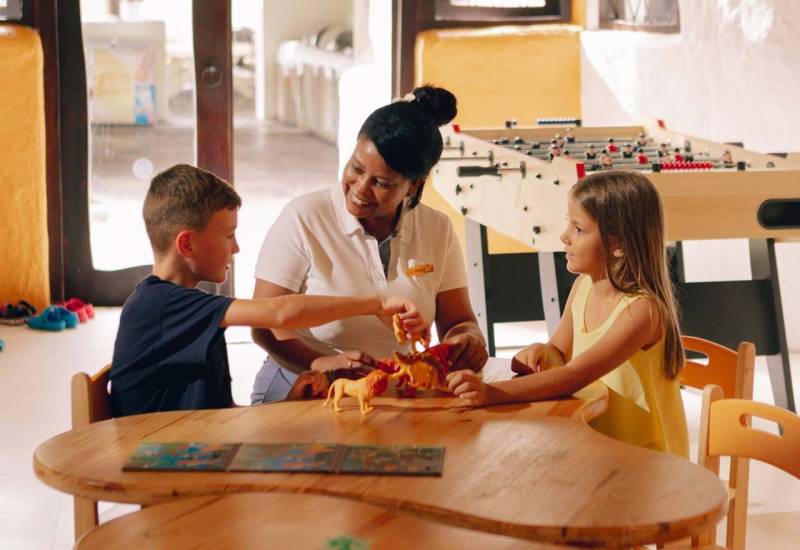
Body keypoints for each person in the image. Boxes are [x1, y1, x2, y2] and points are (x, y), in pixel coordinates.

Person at [110, 164, 427, 417]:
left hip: (193, 449)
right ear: (187, 244)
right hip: (158, 459)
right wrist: (376, 303)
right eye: (228, 235)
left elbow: (224, 416)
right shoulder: (159, 304)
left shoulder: (193, 312)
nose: (236, 247)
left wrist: (288, 402)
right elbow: (278, 312)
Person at [251, 85, 488, 404]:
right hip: (302, 385)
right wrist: (321, 363)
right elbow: (261, 326)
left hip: (394, 394)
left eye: (381, 183)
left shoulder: (436, 228)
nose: (360, 189)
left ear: (413, 185)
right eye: (356, 168)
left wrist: (466, 342)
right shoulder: (304, 217)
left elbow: (459, 322)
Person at [447, 170, 689, 457]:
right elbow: (559, 353)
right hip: (597, 447)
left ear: (619, 245)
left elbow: (575, 375)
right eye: (568, 225)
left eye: (579, 229)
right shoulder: (582, 287)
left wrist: (492, 393)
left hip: (645, 460)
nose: (564, 237)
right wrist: (542, 350)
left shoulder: (642, 311)